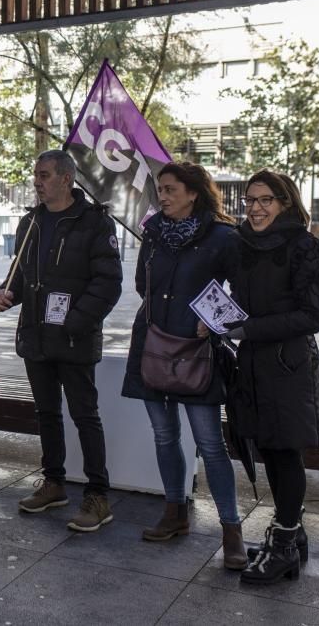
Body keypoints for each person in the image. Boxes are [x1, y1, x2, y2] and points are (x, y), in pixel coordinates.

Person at [120, 161, 246, 569]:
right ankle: (175, 512)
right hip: (153, 342)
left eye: (171, 189)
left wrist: (213, 322)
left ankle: (231, 531)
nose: (163, 195)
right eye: (161, 188)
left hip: (197, 350)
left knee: (211, 444)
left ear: (194, 192)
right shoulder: (153, 233)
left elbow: (241, 295)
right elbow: (142, 282)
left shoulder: (224, 237)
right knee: (163, 434)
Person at [0, 149, 122, 532]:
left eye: (44, 175)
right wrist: (4, 292)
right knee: (46, 413)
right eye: (35, 175)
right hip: (35, 336)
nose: (37, 181)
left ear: (66, 178)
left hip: (74, 339)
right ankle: (54, 483)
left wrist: (74, 322)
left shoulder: (95, 222)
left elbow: (108, 283)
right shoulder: (30, 222)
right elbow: (18, 273)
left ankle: (98, 495)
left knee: (85, 416)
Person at [229, 169, 319, 585]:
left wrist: (248, 327)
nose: (255, 208)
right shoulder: (241, 245)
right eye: (250, 201)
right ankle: (292, 532)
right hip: (252, 363)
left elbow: (314, 315)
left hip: (289, 365)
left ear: (284, 202)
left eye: (264, 200)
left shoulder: (305, 246)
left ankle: (285, 545)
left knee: (286, 452)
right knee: (269, 449)